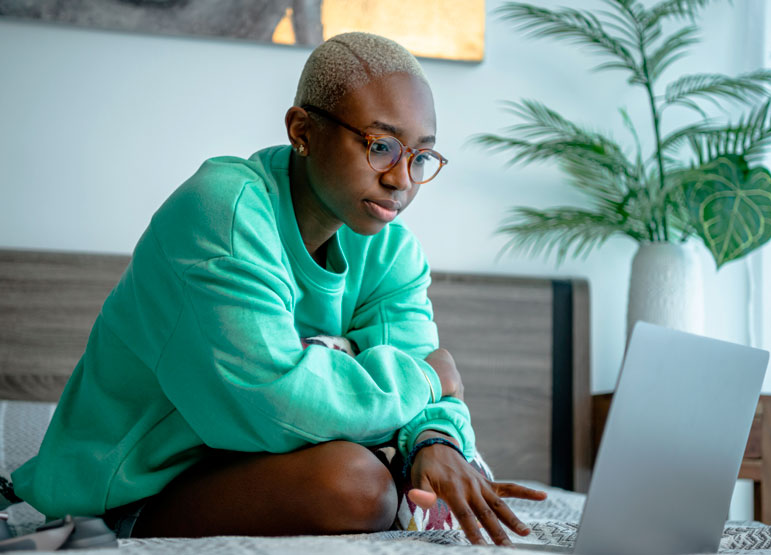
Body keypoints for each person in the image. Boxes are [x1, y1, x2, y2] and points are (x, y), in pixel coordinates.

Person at [11, 32, 546, 546]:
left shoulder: (388, 247)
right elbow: (273, 402)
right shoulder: (221, 211)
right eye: (380, 146)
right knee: (359, 486)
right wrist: (426, 381)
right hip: (131, 490)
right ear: (302, 131)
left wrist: (435, 440)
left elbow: (415, 363)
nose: (402, 179)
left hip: (255, 467)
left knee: (385, 477)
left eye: (420, 156)